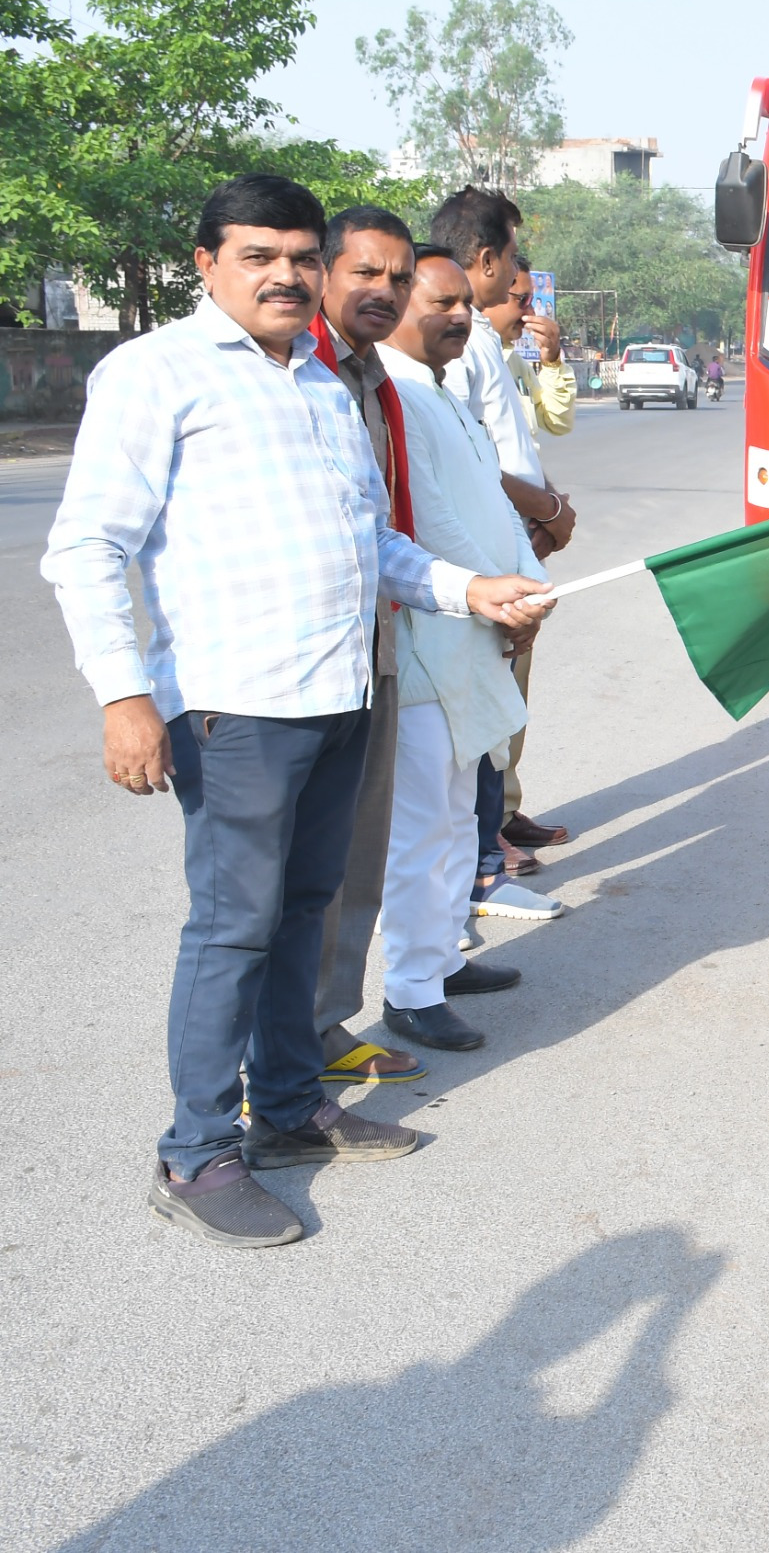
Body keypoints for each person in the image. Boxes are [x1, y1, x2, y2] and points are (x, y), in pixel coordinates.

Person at [41, 175, 551, 1249]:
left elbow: (373, 543)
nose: (284, 274)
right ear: (206, 264)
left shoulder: (321, 378)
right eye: (257, 255)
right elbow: (88, 547)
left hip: (339, 695)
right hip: (235, 708)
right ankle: (194, 1152)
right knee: (233, 928)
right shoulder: (156, 371)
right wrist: (125, 697)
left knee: (303, 911)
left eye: (300, 256)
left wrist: (469, 589)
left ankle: (285, 1109)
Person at [374, 248, 549, 1055]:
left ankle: (442, 957)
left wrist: (526, 583)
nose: (459, 317)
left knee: (452, 816)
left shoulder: (443, 393)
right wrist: (493, 592)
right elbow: (429, 520)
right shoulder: (394, 395)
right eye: (441, 303)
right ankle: (411, 990)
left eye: (464, 307)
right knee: (422, 826)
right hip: (431, 636)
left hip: (475, 628)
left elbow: (496, 506)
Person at [305, 206, 431, 1089]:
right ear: (323, 274)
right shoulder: (296, 372)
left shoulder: (371, 377)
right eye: (365, 273)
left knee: (356, 854)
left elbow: (379, 524)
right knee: (292, 875)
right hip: (299, 665)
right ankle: (276, 1058)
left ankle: (322, 1026)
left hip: (374, 639)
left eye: (398, 278)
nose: (384, 291)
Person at [428, 187, 574, 912]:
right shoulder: (455, 349)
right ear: (487, 259)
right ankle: (482, 864)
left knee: (499, 713)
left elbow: (513, 444)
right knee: (480, 720)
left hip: (508, 551)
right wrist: (543, 510)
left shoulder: (487, 343)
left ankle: (488, 848)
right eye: (514, 260)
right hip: (479, 570)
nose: (520, 279)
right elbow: (469, 467)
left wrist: (538, 523)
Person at [488, 254, 577, 440]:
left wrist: (552, 361)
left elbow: (557, 421)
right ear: (493, 293)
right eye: (523, 300)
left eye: (531, 301)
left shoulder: (513, 362)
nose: (531, 312)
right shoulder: (464, 357)